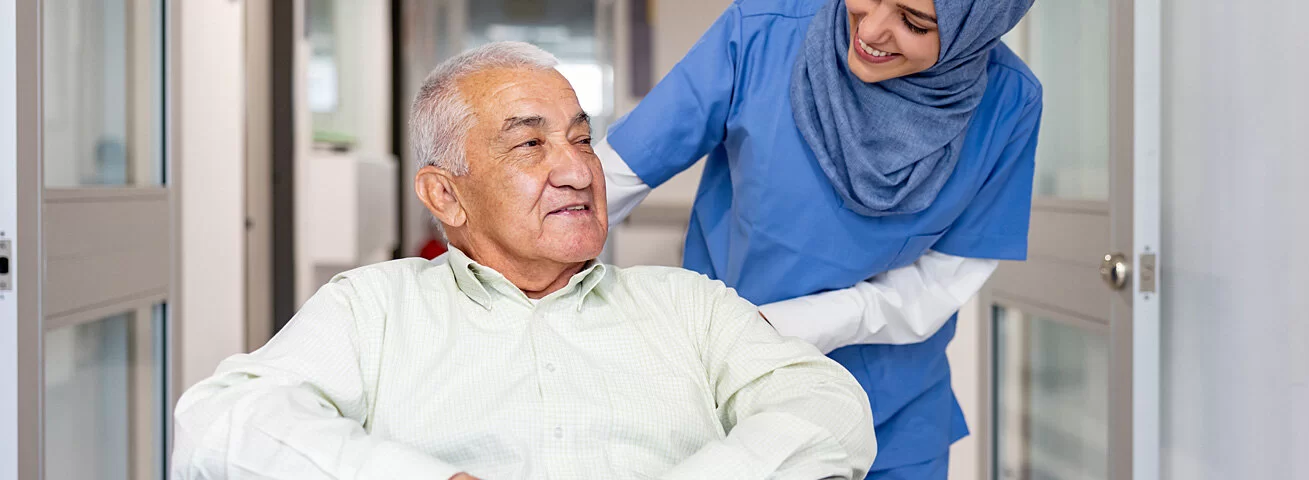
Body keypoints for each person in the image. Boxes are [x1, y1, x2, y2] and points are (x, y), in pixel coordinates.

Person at [171, 42, 876, 480]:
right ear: (445, 193)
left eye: (581, 140)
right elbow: (217, 423)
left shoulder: (689, 305)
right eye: (531, 146)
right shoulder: (374, 307)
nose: (577, 172)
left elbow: (828, 410)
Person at [599, 0, 1040, 476]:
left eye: (913, 22)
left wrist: (790, 323)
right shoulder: (763, 31)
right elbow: (610, 179)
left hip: (890, 412)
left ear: (973, 29)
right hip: (728, 392)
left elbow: (941, 282)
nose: (871, 29)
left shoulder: (1009, 103)